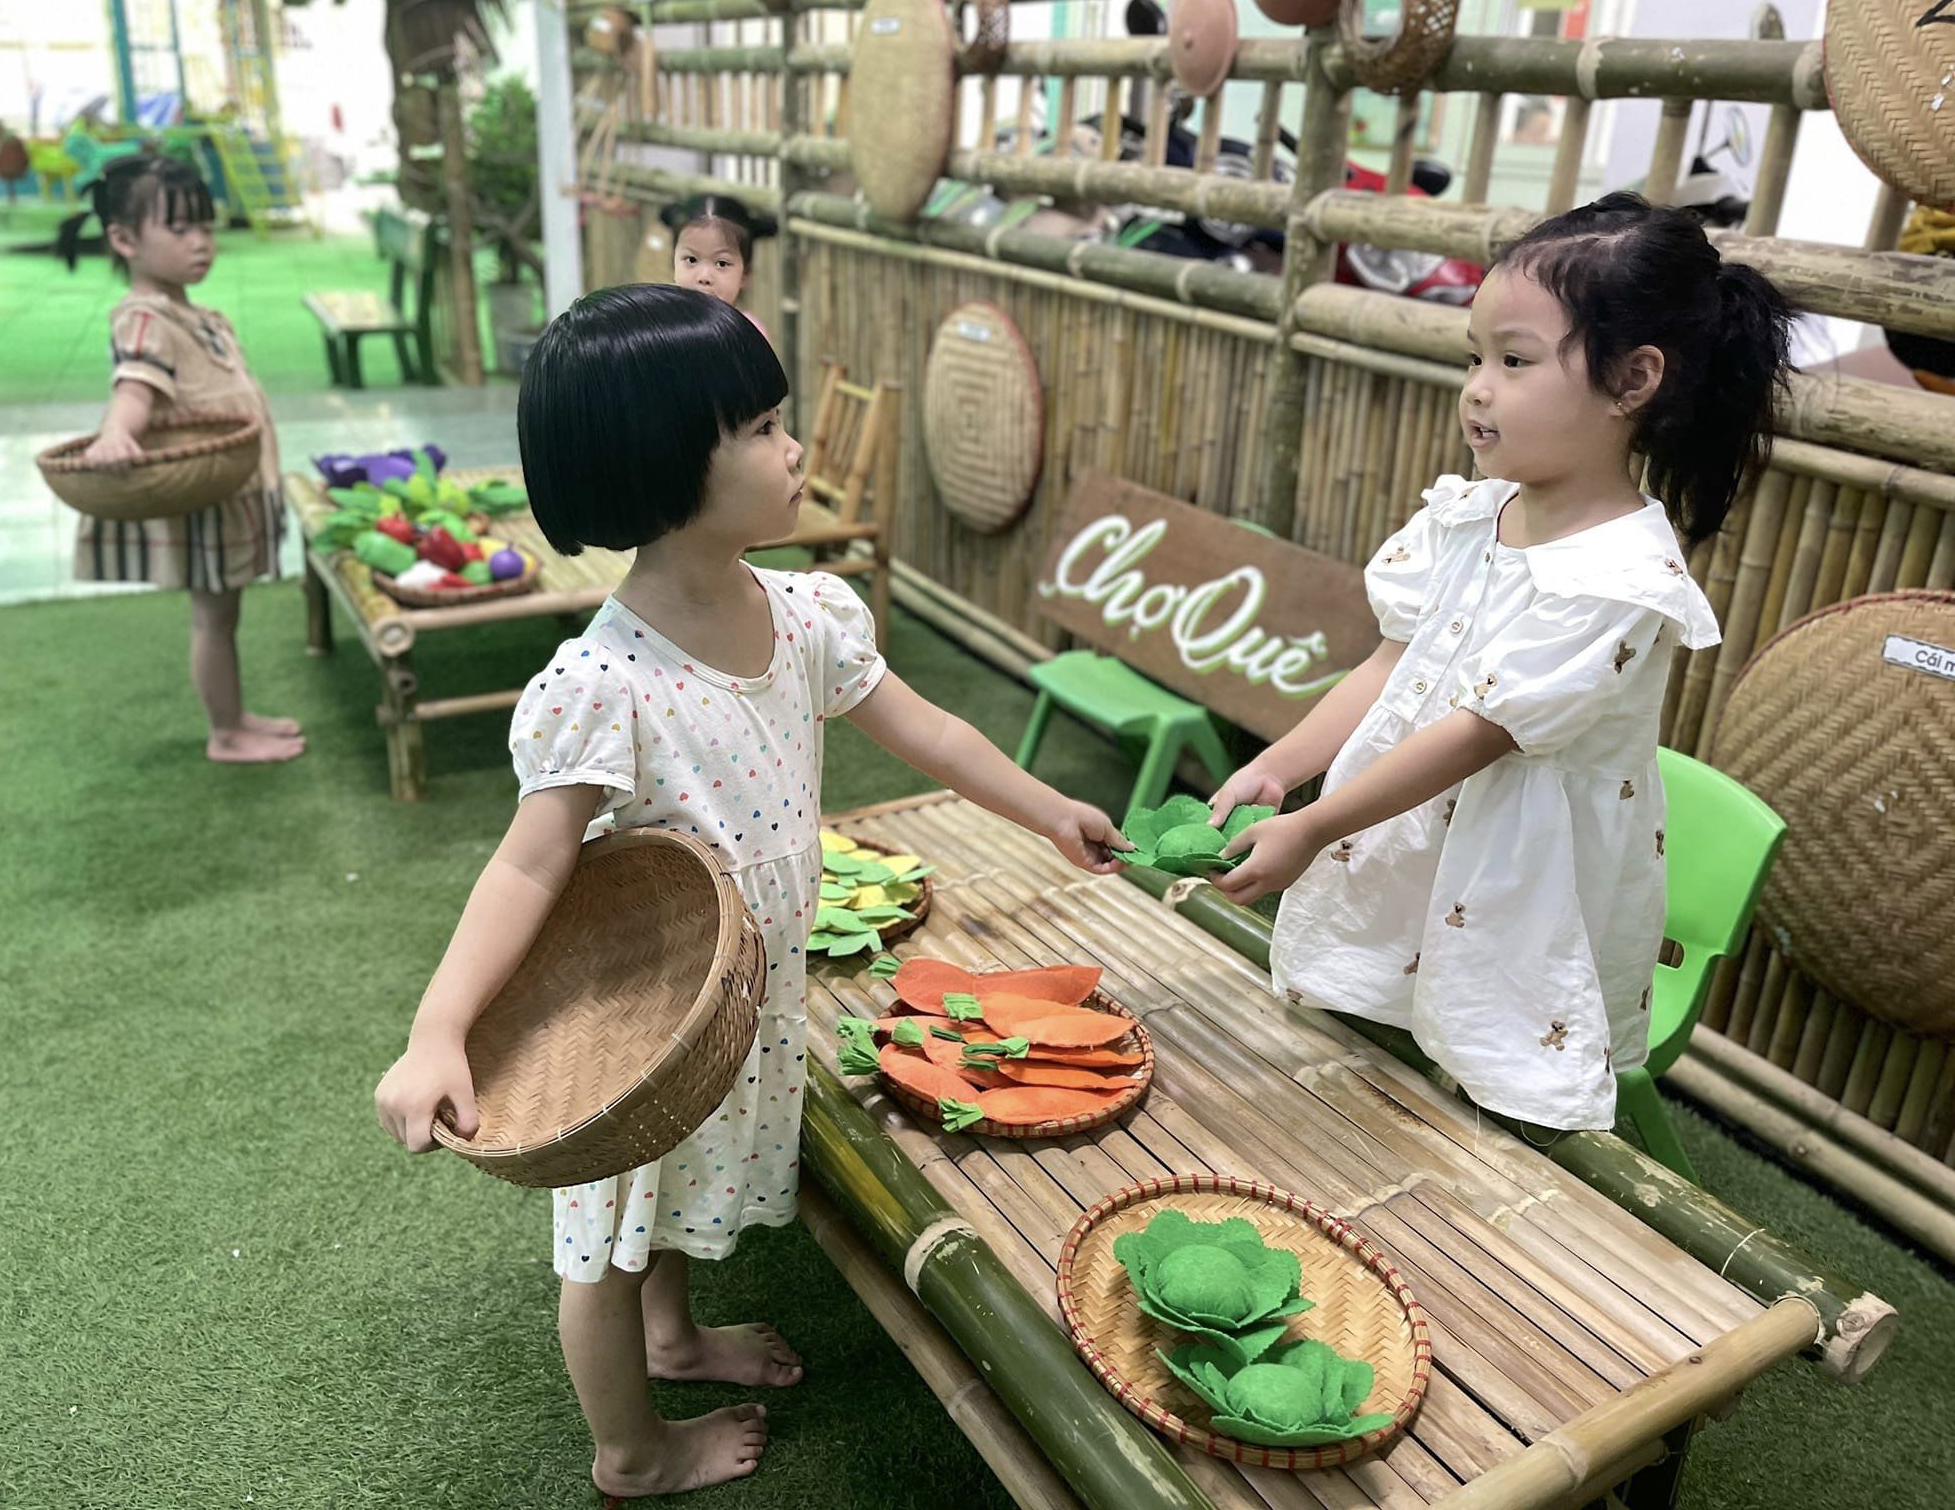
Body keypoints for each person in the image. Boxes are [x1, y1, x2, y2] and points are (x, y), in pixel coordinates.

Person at [373, 284, 1126, 1498]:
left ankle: (674, 1340)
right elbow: (525, 861)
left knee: (665, 1197)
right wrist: (436, 1031)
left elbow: (928, 730)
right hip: (636, 1019)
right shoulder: (603, 683)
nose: (795, 448)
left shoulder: (804, 614)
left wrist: (1046, 809)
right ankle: (631, 1453)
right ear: (667, 463)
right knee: (603, 1251)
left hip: (737, 1000)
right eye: (764, 428)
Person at [1207, 193, 1793, 1132]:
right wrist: (1281, 767)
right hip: (1414, 831)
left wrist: (1315, 826)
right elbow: (1389, 668)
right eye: (1473, 358)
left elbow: (1479, 735)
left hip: (1518, 881)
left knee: (1495, 1077)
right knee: (1378, 1060)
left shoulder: (1620, 577)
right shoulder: (1467, 515)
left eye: (1514, 361)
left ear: (1632, 380)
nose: (1478, 388)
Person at [57, 154, 297, 764]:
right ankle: (226, 733)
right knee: (213, 619)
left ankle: (234, 717)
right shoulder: (144, 318)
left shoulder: (192, 313)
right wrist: (117, 433)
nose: (201, 242)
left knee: (224, 615)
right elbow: (134, 388)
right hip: (205, 498)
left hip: (227, 490)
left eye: (206, 226)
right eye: (181, 228)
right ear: (124, 240)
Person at [664, 193, 777, 340]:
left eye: (722, 263)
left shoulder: (751, 335)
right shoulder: (656, 327)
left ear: (745, 273)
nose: (704, 277)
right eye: (691, 260)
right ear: (673, 262)